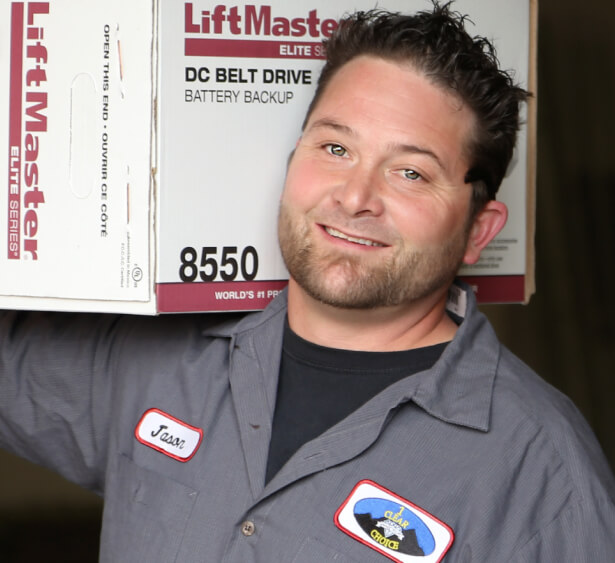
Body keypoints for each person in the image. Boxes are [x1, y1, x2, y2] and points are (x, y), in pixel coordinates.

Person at [1, 4, 614, 562]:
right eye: (335, 147)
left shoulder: (541, 472)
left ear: (480, 230)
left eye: (409, 172)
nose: (355, 196)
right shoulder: (160, 365)